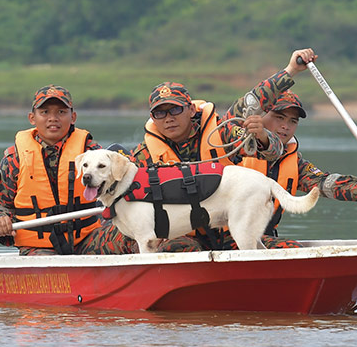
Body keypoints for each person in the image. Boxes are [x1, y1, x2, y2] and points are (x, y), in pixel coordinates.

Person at [127, 49, 318, 250]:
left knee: (291, 251)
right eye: (160, 113)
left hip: (231, 231)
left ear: (191, 110)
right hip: (184, 235)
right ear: (152, 117)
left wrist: (291, 71)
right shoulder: (143, 154)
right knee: (170, 247)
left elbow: (272, 148)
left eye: (175, 109)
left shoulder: (220, 134)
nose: (168, 118)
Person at [0, 84, 195, 255]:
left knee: (175, 243)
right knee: (49, 268)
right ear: (32, 118)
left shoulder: (93, 152)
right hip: (39, 246)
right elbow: (0, 202)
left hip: (89, 238)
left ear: (73, 116)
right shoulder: (14, 157)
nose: (53, 118)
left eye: (61, 112)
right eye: (45, 112)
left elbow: (130, 177)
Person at [230, 55, 357, 238]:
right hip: (218, 236)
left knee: (287, 248)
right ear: (261, 115)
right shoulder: (231, 143)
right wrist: (292, 69)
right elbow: (250, 101)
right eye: (279, 118)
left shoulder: (291, 162)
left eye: (292, 121)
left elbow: (327, 184)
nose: (285, 126)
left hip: (257, 239)